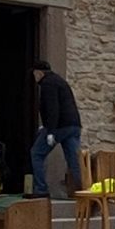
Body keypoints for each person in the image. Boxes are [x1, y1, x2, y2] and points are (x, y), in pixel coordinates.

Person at [29, 60, 82, 198]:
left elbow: (53, 108)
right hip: (73, 125)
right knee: (74, 161)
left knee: (36, 154)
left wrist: (50, 131)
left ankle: (41, 189)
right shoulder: (59, 81)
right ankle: (83, 191)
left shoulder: (48, 84)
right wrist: (45, 126)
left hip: (60, 126)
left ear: (39, 73)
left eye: (34, 74)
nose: (34, 77)